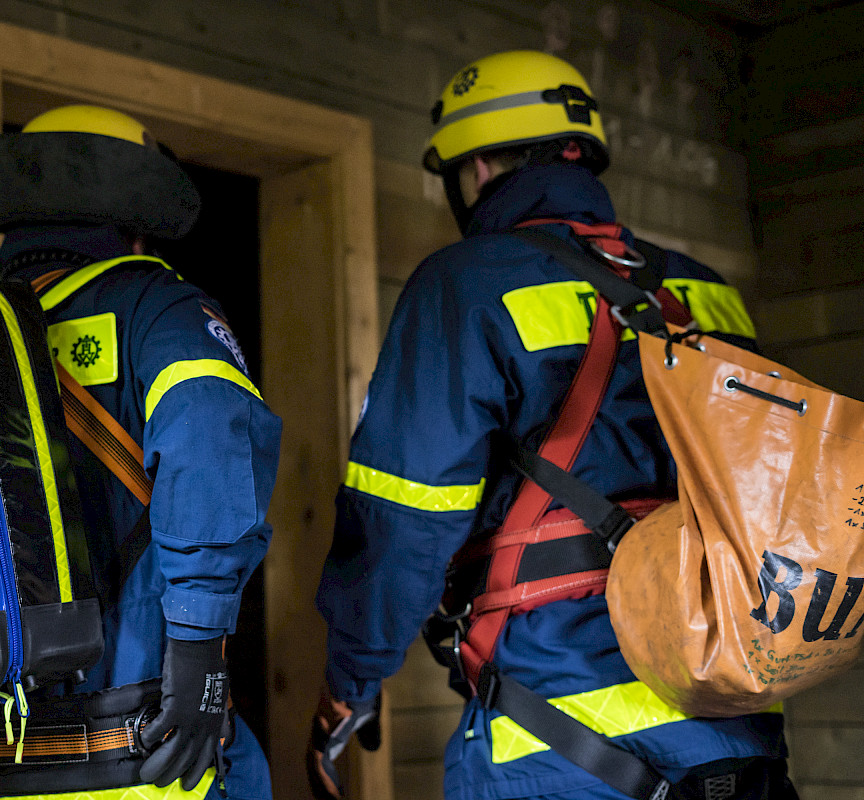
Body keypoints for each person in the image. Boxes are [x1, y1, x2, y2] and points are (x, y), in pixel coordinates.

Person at [308, 50, 796, 800]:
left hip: (556, 737)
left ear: (476, 170)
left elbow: (401, 520)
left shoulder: (466, 282)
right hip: (739, 721)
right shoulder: (709, 294)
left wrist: (352, 678)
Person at [0, 104, 281, 800]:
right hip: (131, 762)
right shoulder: (155, 304)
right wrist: (201, 647)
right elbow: (211, 435)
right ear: (135, 219)